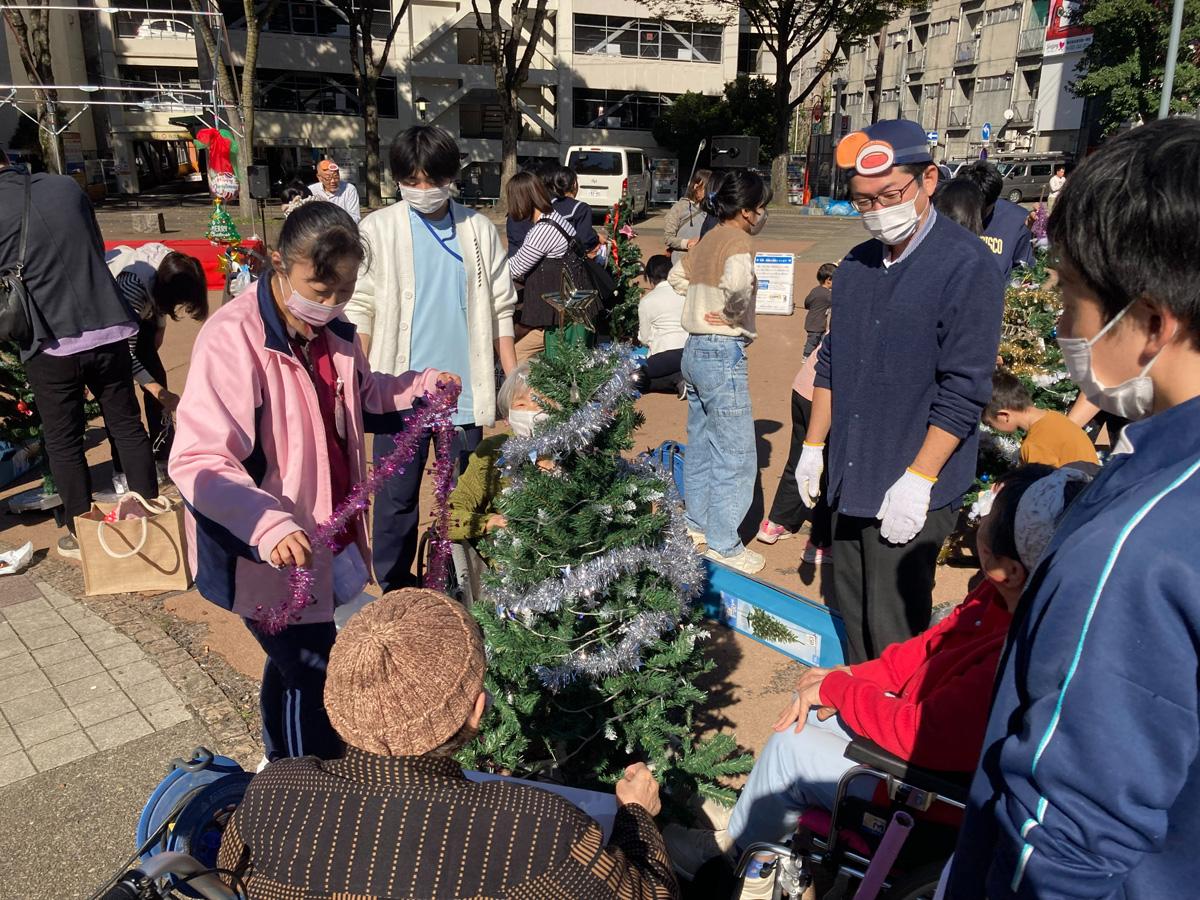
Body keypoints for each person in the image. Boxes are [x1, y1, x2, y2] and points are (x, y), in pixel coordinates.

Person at [945, 117, 1200, 900]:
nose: (1061, 325)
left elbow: (1061, 842)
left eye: (1071, 298)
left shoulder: (1135, 548)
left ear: (1150, 323)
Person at [666, 465, 1087, 881]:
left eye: (988, 517)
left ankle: (737, 861)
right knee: (809, 703)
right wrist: (853, 676)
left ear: (1009, 569)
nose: (979, 517)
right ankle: (752, 821)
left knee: (791, 747)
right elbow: (926, 647)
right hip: (924, 736)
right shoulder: (1001, 594)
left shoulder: (1012, 658)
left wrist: (842, 690)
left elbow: (921, 735)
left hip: (934, 793)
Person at [170, 202, 460, 763]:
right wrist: (266, 523)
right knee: (315, 674)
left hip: (324, 532)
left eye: (343, 291)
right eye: (318, 289)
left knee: (293, 663)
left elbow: (363, 396)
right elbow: (200, 457)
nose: (328, 304)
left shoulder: (335, 334)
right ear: (280, 263)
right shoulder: (234, 338)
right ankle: (309, 782)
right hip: (269, 548)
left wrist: (421, 385)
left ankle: (280, 765)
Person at [218, 588, 679, 899]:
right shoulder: (540, 830)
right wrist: (637, 817)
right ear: (476, 710)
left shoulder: (274, 791)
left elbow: (229, 876)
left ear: (339, 705)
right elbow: (651, 895)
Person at [795, 120, 1004, 664]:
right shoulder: (856, 266)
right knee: (851, 611)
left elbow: (965, 388)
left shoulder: (966, 264)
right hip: (850, 473)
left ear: (928, 179)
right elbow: (832, 363)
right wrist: (813, 447)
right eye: (864, 201)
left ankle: (897, 716)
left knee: (894, 630)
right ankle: (860, 705)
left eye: (890, 195)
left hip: (913, 479)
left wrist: (919, 479)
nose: (878, 210)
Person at [345, 125, 517, 593]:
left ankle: (461, 585)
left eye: (432, 179)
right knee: (397, 498)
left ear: (451, 176)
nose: (423, 189)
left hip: (463, 396)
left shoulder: (477, 230)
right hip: (399, 393)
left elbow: (501, 306)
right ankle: (396, 589)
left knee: (465, 496)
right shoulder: (378, 228)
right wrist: (358, 374)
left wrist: (513, 379)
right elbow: (361, 305)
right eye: (412, 180)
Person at [0, 144, 159, 559]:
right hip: (107, 324)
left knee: (64, 441)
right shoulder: (65, 187)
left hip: (48, 340)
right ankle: (149, 518)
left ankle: (80, 532)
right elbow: (95, 246)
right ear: (8, 158)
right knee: (127, 426)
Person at [670, 170, 770, 575]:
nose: (761, 215)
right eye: (760, 207)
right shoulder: (738, 241)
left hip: (693, 348)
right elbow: (740, 286)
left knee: (700, 443)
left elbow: (676, 276)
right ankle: (725, 543)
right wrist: (729, 314)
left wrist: (700, 305)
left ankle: (696, 524)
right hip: (720, 349)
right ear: (746, 211)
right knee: (737, 454)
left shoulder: (709, 238)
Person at [104, 243, 208, 485]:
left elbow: (158, 315)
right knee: (120, 398)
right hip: (110, 327)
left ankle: (163, 456)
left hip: (142, 316)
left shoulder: (171, 266)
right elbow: (124, 353)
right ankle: (123, 469)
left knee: (157, 378)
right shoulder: (132, 287)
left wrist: (158, 332)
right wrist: (156, 389)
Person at [446, 363, 548, 545]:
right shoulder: (492, 452)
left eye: (541, 402)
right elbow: (448, 518)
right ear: (508, 416)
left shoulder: (577, 450)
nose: (533, 410)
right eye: (521, 404)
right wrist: (489, 522)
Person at [756, 342, 834, 564]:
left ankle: (776, 523)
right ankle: (819, 543)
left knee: (799, 457)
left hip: (803, 387)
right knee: (828, 470)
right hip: (824, 398)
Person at [506, 171, 586, 363]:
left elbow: (515, 268)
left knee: (513, 358)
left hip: (559, 318)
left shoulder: (544, 230)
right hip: (568, 310)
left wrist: (485, 268)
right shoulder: (554, 218)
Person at [983, 370, 1099, 471]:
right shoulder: (1055, 417)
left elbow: (1044, 486)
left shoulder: (1035, 445)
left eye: (990, 424)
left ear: (1004, 415)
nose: (992, 428)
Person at [957, 160, 1036, 280]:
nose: (976, 215)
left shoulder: (1018, 220)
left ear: (994, 200)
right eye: (971, 206)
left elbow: (1023, 269)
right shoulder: (950, 213)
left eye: (983, 209)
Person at [635, 254, 687, 395]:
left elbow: (644, 338)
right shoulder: (685, 292)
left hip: (665, 355)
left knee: (637, 378)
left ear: (650, 278)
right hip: (691, 350)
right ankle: (684, 379)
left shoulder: (647, 301)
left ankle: (677, 379)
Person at [663, 169, 715, 265]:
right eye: (706, 188)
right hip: (681, 263)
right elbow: (668, 238)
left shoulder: (713, 210)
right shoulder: (679, 208)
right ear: (696, 186)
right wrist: (687, 243)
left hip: (704, 263)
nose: (709, 192)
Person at [547, 165, 601, 256]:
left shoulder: (548, 206)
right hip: (570, 259)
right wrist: (596, 239)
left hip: (548, 257)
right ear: (574, 184)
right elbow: (586, 240)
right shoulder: (582, 209)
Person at [801, 262, 836, 358]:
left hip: (811, 322)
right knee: (813, 341)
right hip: (817, 325)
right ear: (828, 280)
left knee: (817, 340)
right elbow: (836, 302)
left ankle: (814, 355)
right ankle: (806, 356)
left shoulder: (815, 290)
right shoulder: (827, 295)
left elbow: (807, 302)